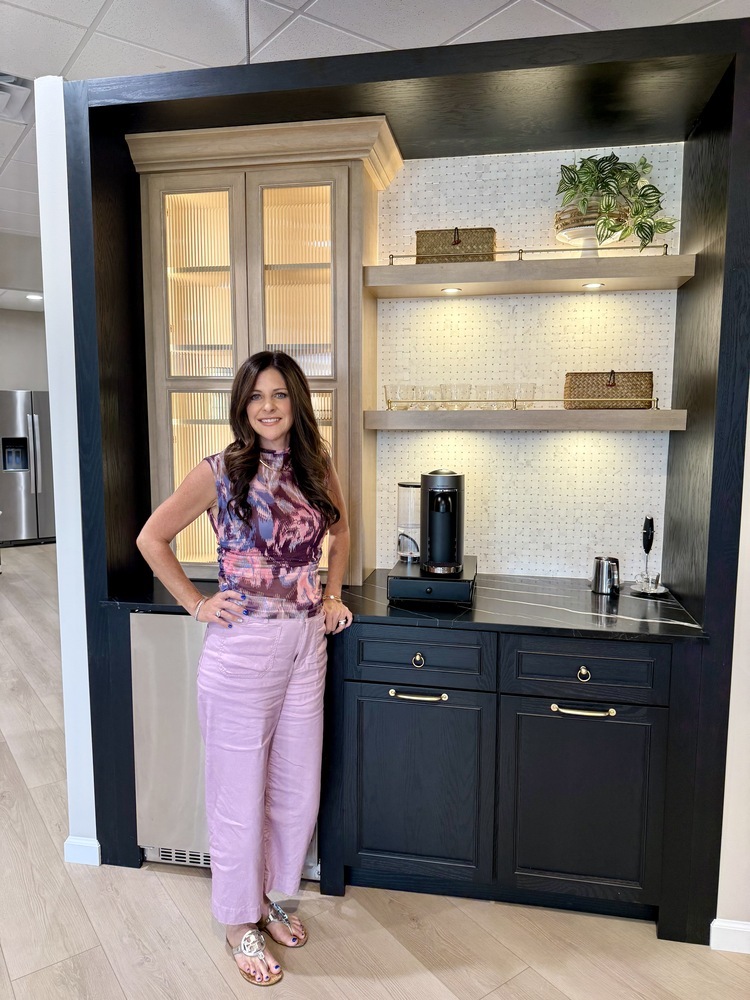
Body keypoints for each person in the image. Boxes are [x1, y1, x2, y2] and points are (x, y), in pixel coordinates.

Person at [137, 350, 352, 987]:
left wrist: (333, 592)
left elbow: (342, 531)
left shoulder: (318, 466)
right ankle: (237, 923)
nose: (268, 406)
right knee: (238, 792)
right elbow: (153, 537)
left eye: (280, 395)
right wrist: (197, 602)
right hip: (242, 649)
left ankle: (268, 899)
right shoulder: (221, 470)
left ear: (296, 403)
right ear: (243, 404)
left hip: (306, 644)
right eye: (256, 395)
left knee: (295, 786)